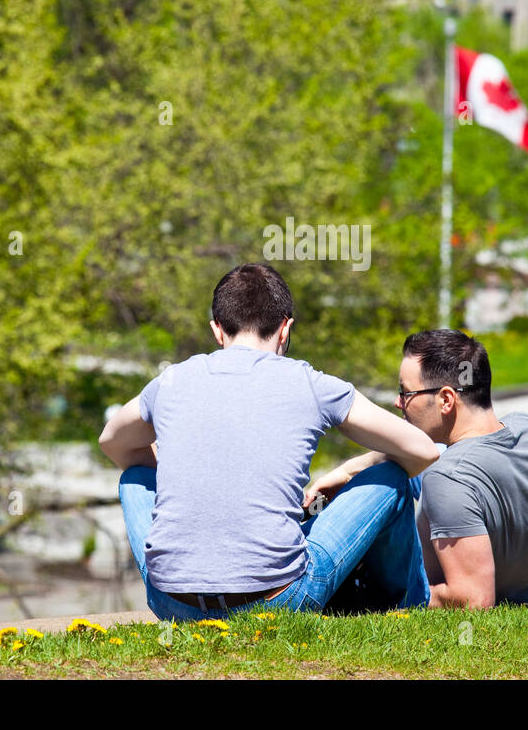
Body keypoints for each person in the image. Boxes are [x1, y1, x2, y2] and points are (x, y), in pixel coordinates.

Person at [98, 262, 438, 621]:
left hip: (173, 604)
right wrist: (352, 469)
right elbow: (422, 450)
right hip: (278, 601)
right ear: (285, 329)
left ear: (217, 330)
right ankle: (408, 611)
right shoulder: (311, 383)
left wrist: (173, 474)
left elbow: (112, 442)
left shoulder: (170, 381)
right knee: (393, 478)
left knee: (134, 476)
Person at [309, 328, 528, 608]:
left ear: (446, 400)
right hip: (524, 584)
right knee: (413, 466)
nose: (398, 402)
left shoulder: (449, 477)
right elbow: (446, 459)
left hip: (399, 587)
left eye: (406, 392)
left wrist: (398, 598)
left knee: (385, 486)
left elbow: (474, 600)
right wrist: (350, 470)